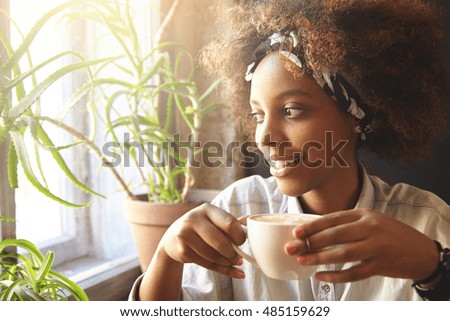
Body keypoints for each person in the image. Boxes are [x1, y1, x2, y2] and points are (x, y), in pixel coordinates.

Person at [130, 0, 450, 300]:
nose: (264, 136)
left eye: (292, 110)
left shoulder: (427, 223)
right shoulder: (236, 208)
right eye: (257, 115)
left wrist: (434, 270)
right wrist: (166, 256)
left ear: (356, 116)